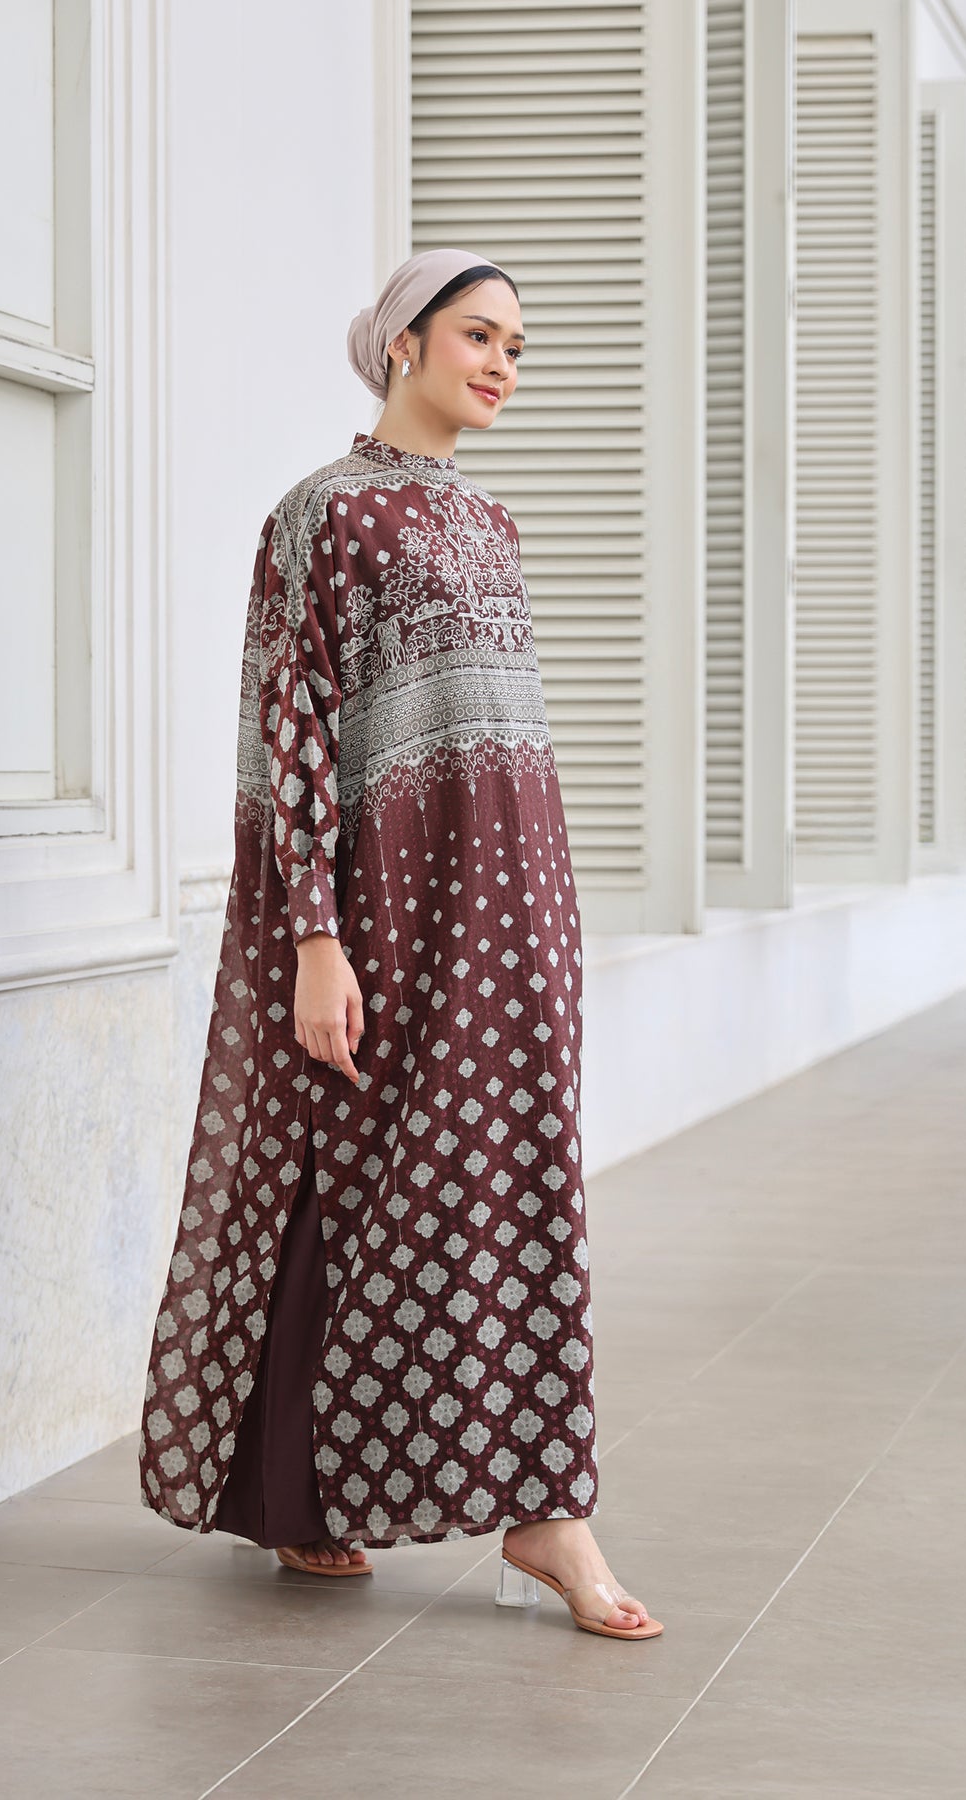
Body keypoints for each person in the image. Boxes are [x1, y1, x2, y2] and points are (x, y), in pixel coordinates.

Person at [139, 247, 662, 1642]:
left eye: (517, 348)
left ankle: (544, 1509)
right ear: (402, 345)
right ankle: (300, 1491)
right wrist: (315, 935)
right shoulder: (319, 516)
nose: (501, 365)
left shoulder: (493, 522)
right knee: (347, 1163)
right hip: (382, 903)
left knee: (515, 1175)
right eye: (479, 336)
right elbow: (294, 734)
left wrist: (548, 915)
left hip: (513, 902)